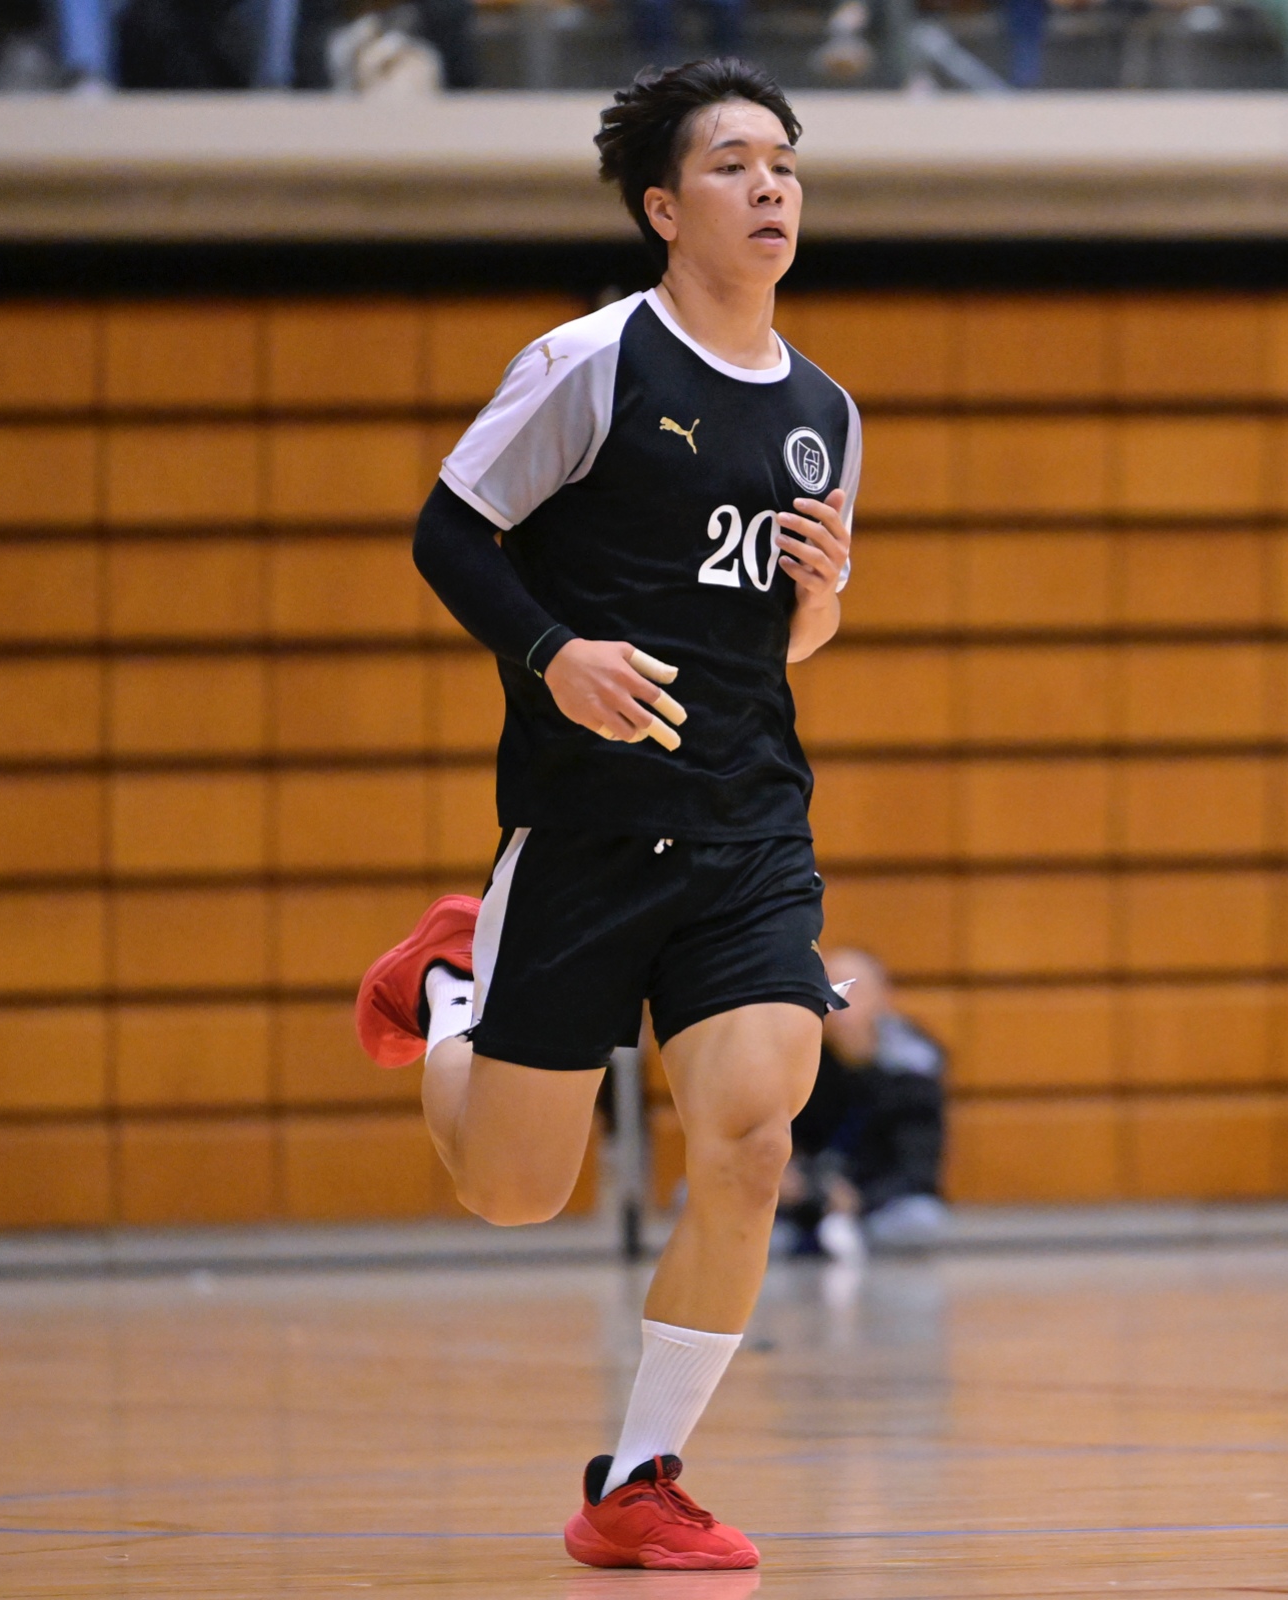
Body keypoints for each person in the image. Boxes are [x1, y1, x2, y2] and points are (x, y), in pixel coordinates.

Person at [351, 58, 860, 1572]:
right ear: (662, 207)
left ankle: (638, 1477)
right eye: (732, 164)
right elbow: (449, 532)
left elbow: (781, 639)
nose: (769, 187)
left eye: (784, 164)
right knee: (514, 1192)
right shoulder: (589, 362)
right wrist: (552, 654)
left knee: (753, 1137)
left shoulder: (826, 412)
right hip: (583, 831)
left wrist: (825, 598)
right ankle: (456, 980)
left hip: (747, 827)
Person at [777, 947, 950, 1259]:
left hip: (876, 1203)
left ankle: (839, 1243)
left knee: (921, 1220)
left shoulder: (913, 1069)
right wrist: (793, 1181)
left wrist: (858, 1198)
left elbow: (917, 1169)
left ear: (883, 996)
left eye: (850, 988)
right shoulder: (794, 1059)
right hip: (807, 1201)